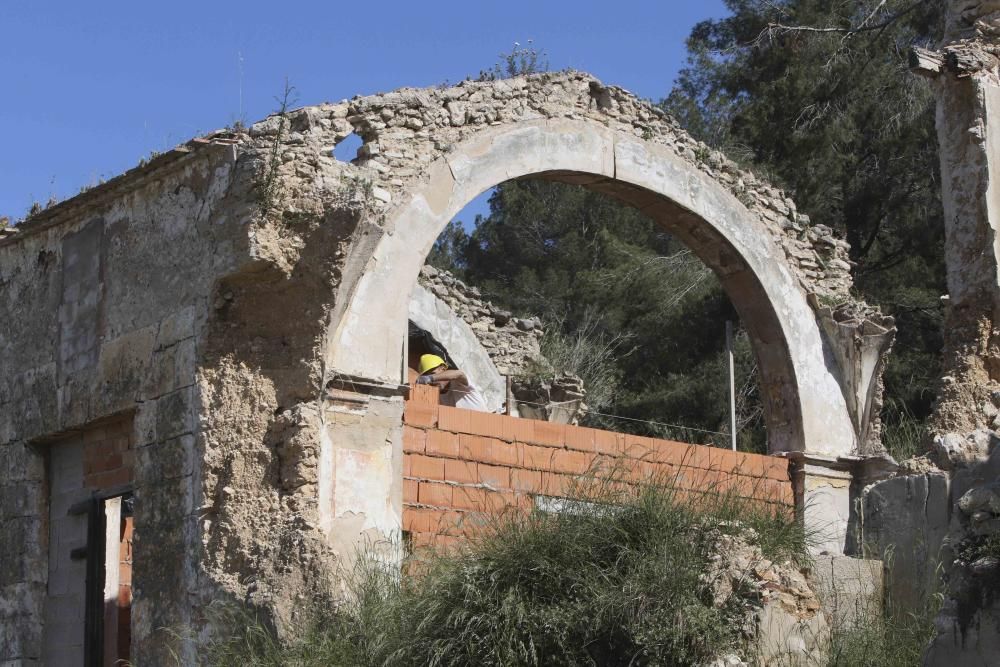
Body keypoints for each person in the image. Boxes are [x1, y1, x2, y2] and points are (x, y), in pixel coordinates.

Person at [416, 354, 489, 412]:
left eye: (433, 373)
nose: (432, 382)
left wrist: (431, 378)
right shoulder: (437, 397)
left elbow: (459, 374)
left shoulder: (459, 383)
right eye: (427, 377)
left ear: (443, 368)